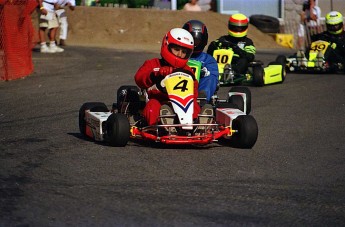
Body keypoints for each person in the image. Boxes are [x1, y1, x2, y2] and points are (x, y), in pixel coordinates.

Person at [134, 28, 201, 126]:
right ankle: (158, 127)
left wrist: (193, 82)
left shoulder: (188, 70)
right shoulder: (153, 64)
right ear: (166, 46)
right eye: (176, 49)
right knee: (153, 106)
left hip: (181, 103)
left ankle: (198, 125)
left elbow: (193, 93)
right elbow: (138, 78)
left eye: (184, 52)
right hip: (157, 100)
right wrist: (154, 74)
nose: (180, 54)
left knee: (194, 106)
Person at [182, 19, 218, 102]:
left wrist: (204, 72)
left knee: (210, 78)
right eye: (192, 40)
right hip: (178, 86)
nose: (194, 43)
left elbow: (213, 75)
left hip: (198, 88)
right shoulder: (179, 55)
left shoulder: (208, 60)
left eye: (197, 41)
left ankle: (202, 98)